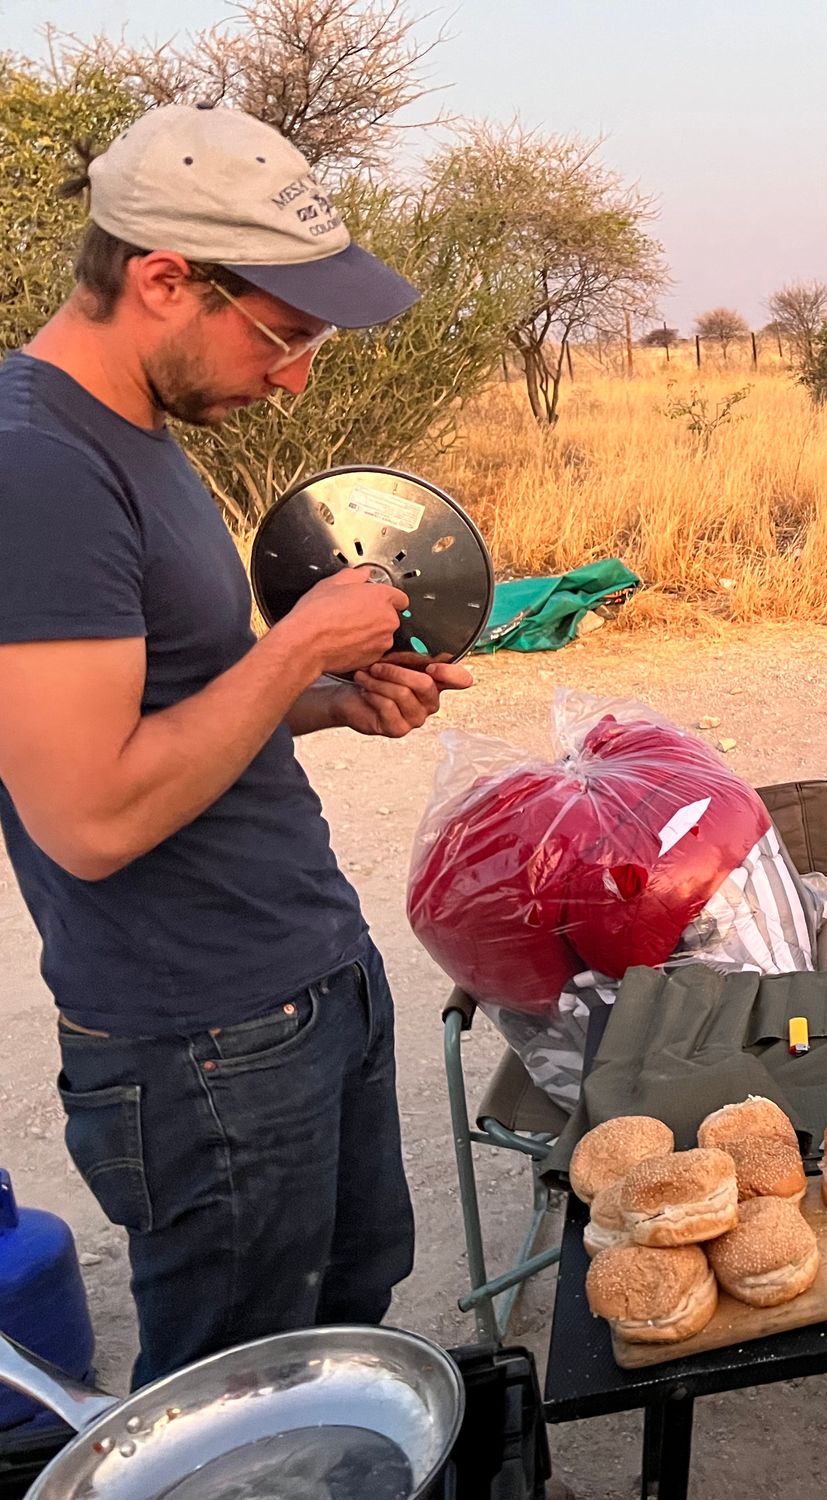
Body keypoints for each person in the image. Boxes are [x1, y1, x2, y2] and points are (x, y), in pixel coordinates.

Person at [0, 104, 474, 1387]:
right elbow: (86, 817)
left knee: (340, 1340)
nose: (294, 375)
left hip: (301, 975)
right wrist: (292, 652)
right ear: (163, 278)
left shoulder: (133, 439)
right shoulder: (36, 469)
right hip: (201, 1037)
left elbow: (175, 710)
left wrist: (328, 697)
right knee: (241, 1406)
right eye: (285, 333)